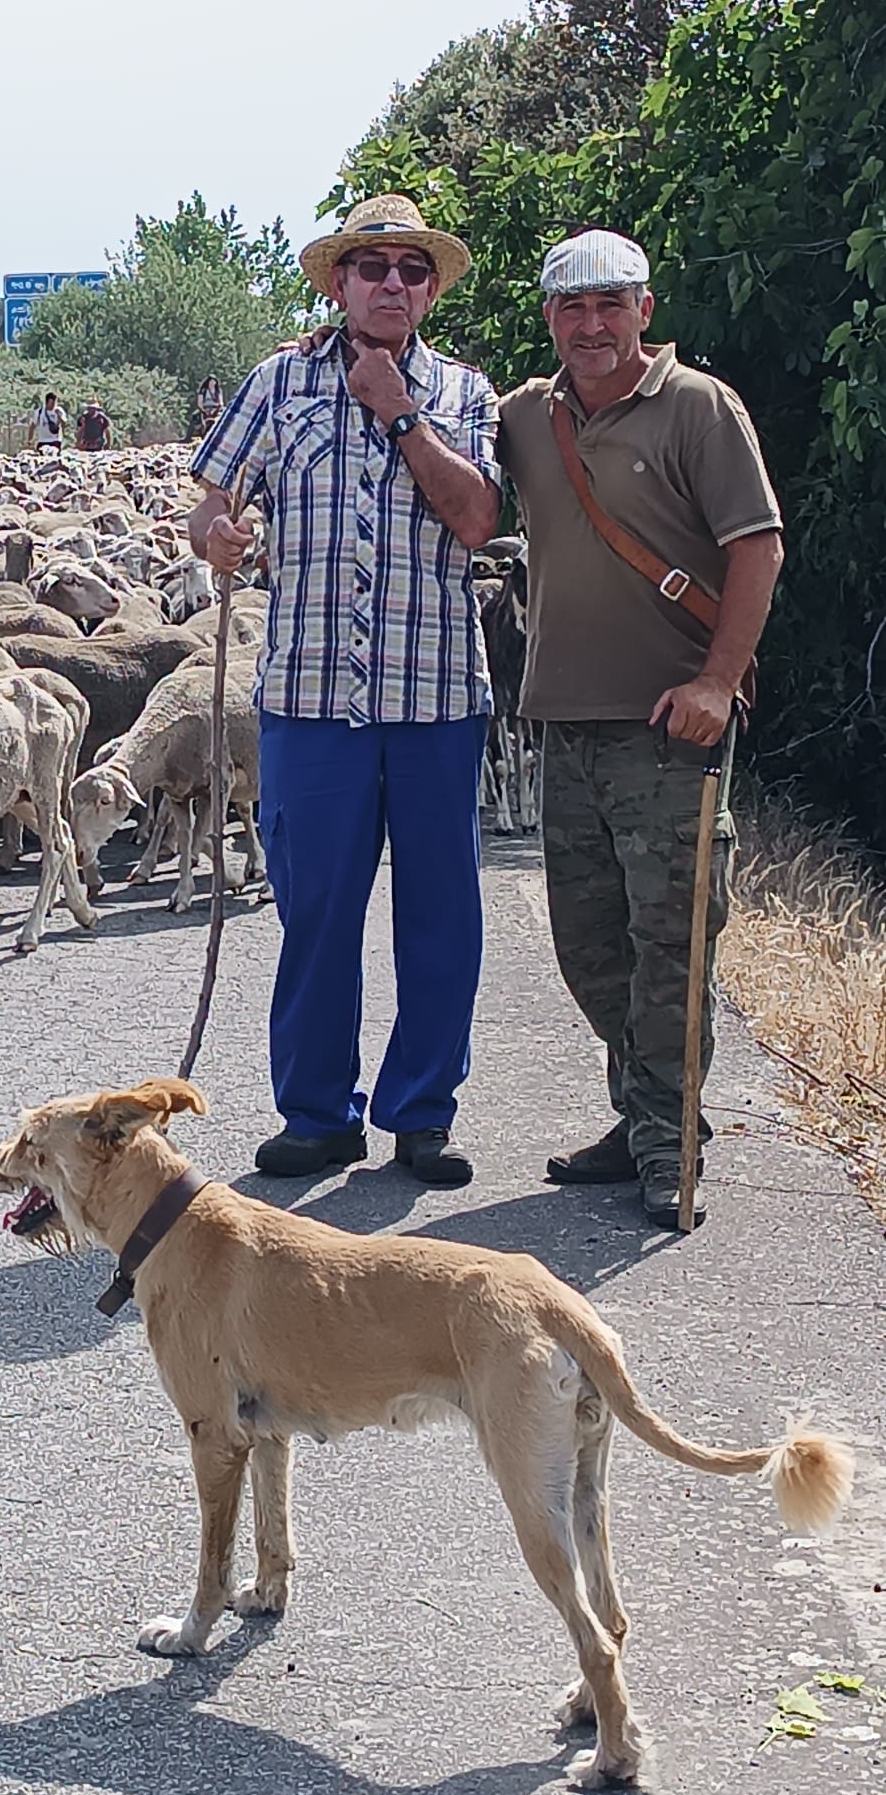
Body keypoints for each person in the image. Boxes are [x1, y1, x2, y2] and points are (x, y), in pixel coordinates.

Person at [186, 194, 502, 1184]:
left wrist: (395, 408)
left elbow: (479, 516)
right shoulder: (277, 382)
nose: (394, 285)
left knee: (441, 914)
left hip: (436, 695)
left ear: (430, 289)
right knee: (316, 910)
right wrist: (221, 537)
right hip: (312, 697)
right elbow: (211, 502)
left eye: (413, 270)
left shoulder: (463, 392)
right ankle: (319, 1112)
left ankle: (421, 1114)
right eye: (374, 267)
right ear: (339, 281)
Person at [496, 230, 784, 1228]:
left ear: (644, 309)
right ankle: (641, 1112)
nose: (592, 324)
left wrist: (719, 677)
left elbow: (759, 546)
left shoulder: (699, 407)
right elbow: (448, 484)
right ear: (549, 320)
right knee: (589, 944)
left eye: (611, 303)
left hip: (671, 729)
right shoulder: (529, 419)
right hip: (567, 725)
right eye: (573, 308)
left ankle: (673, 1143)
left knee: (674, 943)